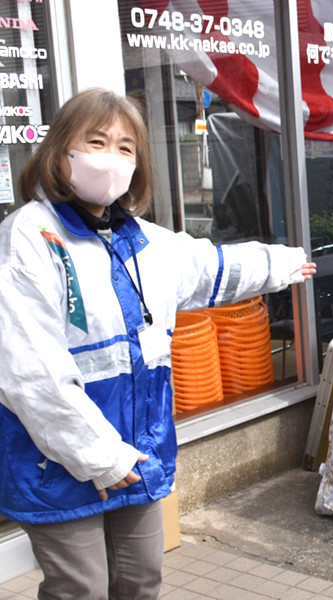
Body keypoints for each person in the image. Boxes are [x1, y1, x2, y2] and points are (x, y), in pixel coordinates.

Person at [0, 88, 316, 599]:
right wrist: (102, 457)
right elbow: (30, 374)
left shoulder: (141, 238)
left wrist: (283, 265)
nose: (111, 158)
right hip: (56, 459)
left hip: (139, 450)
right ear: (61, 153)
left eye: (126, 148)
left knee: (141, 582)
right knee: (80, 588)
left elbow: (210, 266)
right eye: (96, 141)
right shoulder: (28, 239)